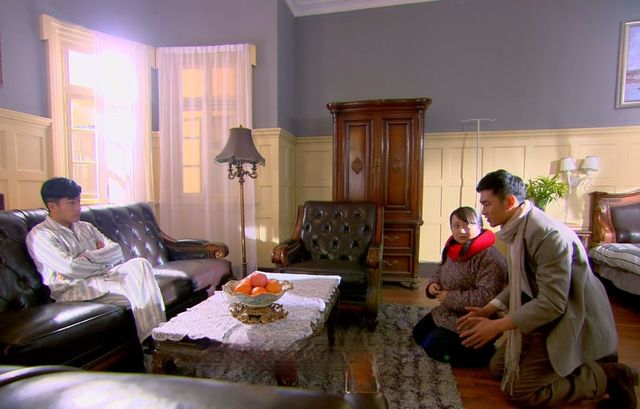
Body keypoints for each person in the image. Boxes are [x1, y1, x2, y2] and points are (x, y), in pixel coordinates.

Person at [457, 169, 638, 408]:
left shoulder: (546, 235)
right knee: (499, 368)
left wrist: (497, 326)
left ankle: (608, 376)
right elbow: (522, 281)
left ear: (509, 202)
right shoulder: (519, 227)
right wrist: (488, 310)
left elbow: (553, 303)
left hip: (569, 315)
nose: (483, 211)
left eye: (487, 204)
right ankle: (572, 364)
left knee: (518, 392)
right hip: (544, 313)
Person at [26, 177, 166, 342]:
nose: (78, 207)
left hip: (106, 279)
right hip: (76, 291)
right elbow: (71, 269)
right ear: (52, 206)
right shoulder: (41, 235)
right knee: (142, 295)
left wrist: (87, 256)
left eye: (79, 201)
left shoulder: (86, 227)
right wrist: (101, 259)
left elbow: (117, 251)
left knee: (140, 264)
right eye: (71, 203)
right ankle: (158, 342)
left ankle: (156, 342)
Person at [412, 206, 507, 367]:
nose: (461, 231)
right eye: (456, 226)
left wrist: (449, 297)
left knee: (434, 346)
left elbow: (487, 296)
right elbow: (441, 269)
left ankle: (485, 351)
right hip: (448, 311)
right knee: (419, 333)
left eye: (467, 226)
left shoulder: (489, 258)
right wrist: (433, 284)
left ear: (480, 226)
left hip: (473, 317)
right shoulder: (453, 248)